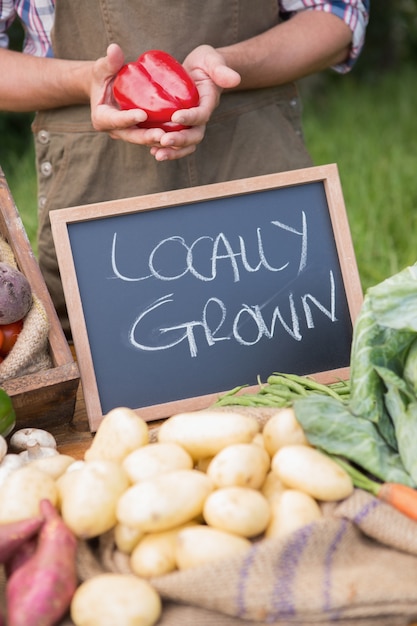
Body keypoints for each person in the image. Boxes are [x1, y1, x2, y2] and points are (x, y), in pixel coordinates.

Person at [0, 1, 369, 337]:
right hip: (93, 179)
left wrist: (230, 63)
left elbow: (338, 17)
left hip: (256, 158)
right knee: (99, 367)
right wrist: (83, 80)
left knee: (301, 350)